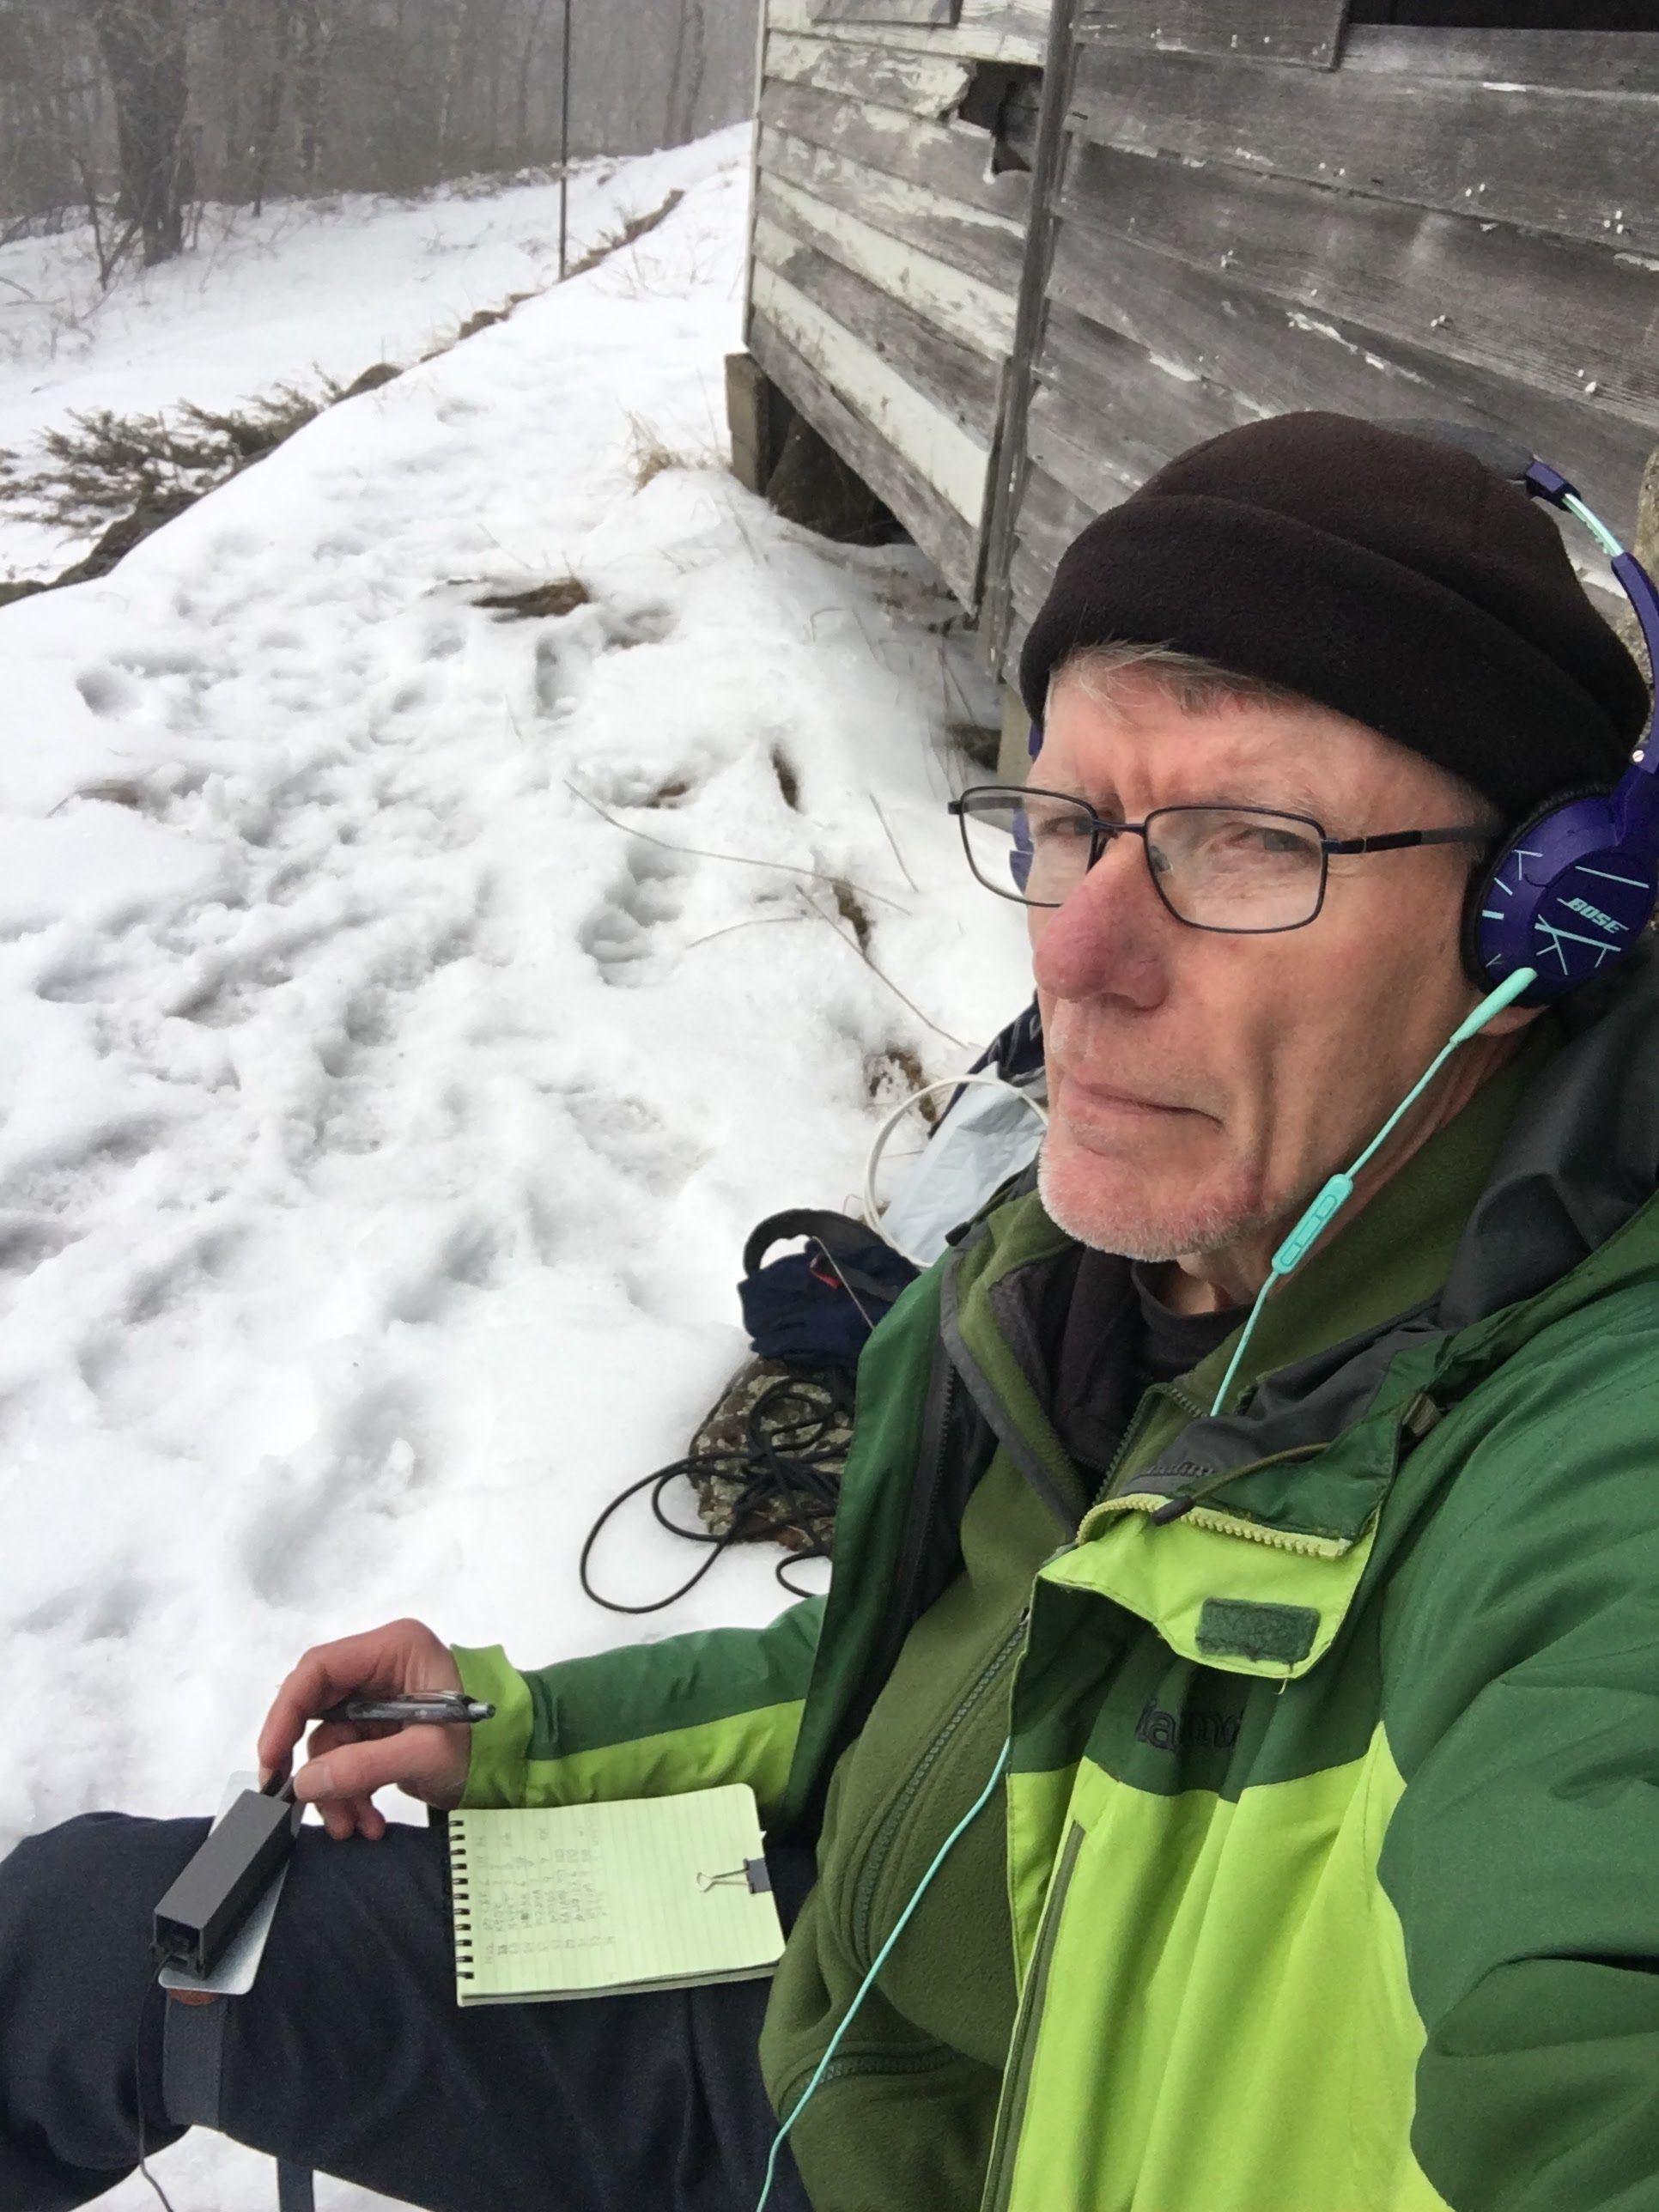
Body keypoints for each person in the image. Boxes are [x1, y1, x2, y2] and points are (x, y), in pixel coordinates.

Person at [6, 410, 1659, 2212]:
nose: (1081, 954)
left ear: (1536, 931)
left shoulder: (1575, 1481)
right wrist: (529, 1735)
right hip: (783, 2016)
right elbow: (910, 1686)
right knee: (97, 1946)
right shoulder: (1086, 1295)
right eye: (1072, 822)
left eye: (1246, 841)